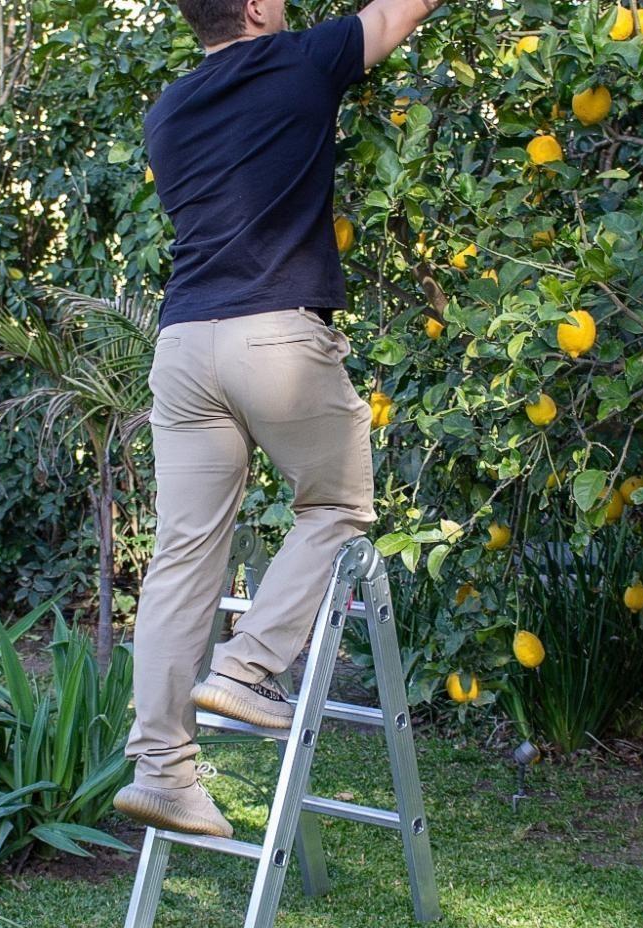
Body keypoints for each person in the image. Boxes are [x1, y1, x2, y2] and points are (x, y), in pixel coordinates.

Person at [113, 0, 442, 838]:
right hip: (276, 339)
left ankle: (161, 767)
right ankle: (251, 665)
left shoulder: (168, 110)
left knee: (184, 555)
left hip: (184, 344)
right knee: (336, 507)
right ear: (257, 8)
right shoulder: (302, 60)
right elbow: (403, 9)